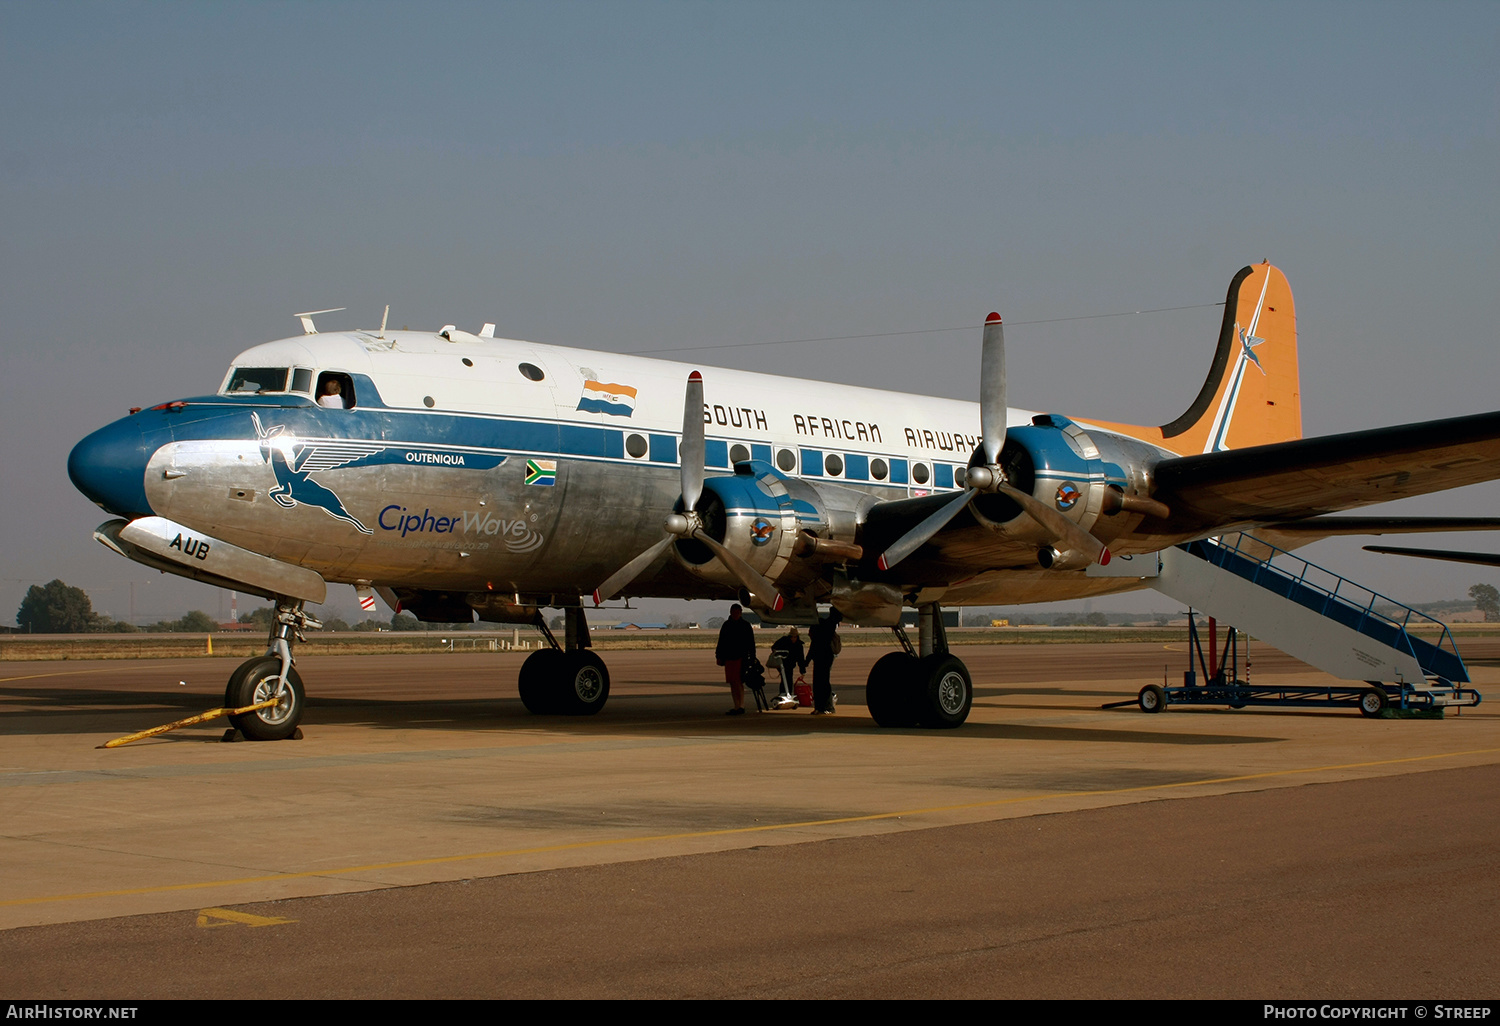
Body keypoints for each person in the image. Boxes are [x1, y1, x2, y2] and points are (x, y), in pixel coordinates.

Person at [715, 603, 756, 716]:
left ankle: (741, 705)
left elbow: (751, 644)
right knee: (732, 682)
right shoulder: (726, 625)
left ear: (740, 612)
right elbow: (721, 642)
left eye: (737, 612)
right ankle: (736, 705)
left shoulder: (745, 625)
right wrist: (719, 656)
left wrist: (751, 658)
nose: (735, 614)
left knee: (738, 682)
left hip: (741, 658)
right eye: (734, 612)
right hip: (729, 658)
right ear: (731, 612)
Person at [808, 608, 842, 715]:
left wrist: (806, 660)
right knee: (823, 683)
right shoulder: (829, 626)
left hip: (820, 658)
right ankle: (825, 707)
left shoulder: (820, 627)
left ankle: (821, 707)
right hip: (825, 657)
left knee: (819, 683)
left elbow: (813, 646)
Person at [768, 626, 807, 709]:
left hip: (790, 664)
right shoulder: (784, 640)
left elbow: (801, 658)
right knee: (785, 677)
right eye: (792, 637)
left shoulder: (799, 645)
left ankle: (788, 694)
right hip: (782, 663)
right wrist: (778, 653)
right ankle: (783, 693)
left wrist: (802, 671)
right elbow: (774, 647)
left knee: (788, 678)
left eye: (795, 637)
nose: (793, 638)